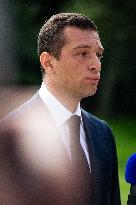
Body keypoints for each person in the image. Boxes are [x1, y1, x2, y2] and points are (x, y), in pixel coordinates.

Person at [0, 13, 121, 205]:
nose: (96, 65)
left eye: (98, 55)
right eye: (82, 53)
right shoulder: (9, 137)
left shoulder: (103, 133)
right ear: (48, 62)